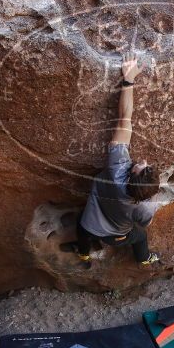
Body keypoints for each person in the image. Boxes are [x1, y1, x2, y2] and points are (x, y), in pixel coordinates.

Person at [69, 52, 161, 269]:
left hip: (90, 223)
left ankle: (84, 254)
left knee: (81, 228)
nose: (143, 161)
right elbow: (143, 222)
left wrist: (128, 79)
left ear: (130, 176)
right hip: (116, 236)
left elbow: (124, 120)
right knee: (140, 236)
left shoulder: (117, 168)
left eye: (141, 166)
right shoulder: (145, 208)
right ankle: (144, 258)